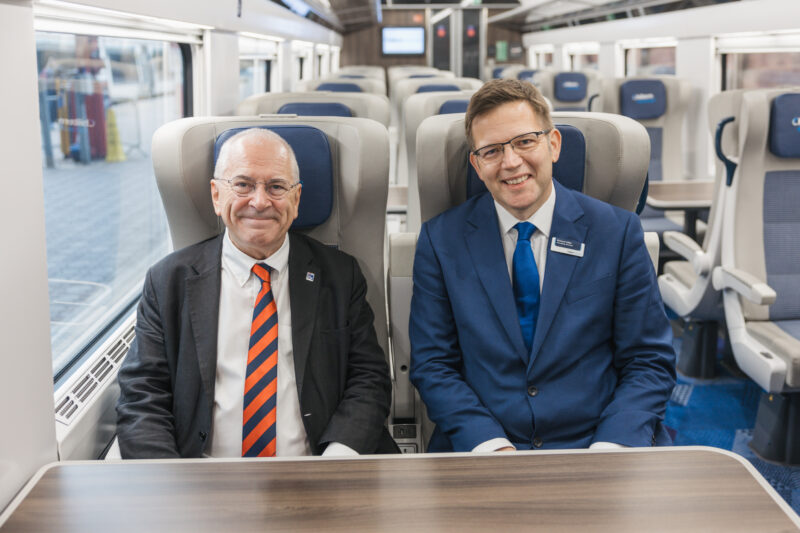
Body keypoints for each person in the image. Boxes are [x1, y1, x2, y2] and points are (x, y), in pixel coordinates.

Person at [409, 79, 676, 453]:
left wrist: (611, 445)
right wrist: (489, 443)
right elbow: (433, 364)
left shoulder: (616, 232)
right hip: (484, 443)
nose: (511, 162)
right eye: (492, 151)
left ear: (553, 144)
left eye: (524, 141)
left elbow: (648, 360)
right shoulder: (441, 240)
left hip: (598, 440)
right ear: (477, 164)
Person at [117, 127, 397, 458]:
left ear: (296, 199)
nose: (260, 202)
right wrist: (171, 479)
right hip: (200, 474)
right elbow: (142, 396)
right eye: (243, 185)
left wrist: (335, 462)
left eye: (276, 187)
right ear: (216, 195)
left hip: (317, 467)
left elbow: (369, 379)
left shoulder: (340, 275)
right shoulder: (168, 281)